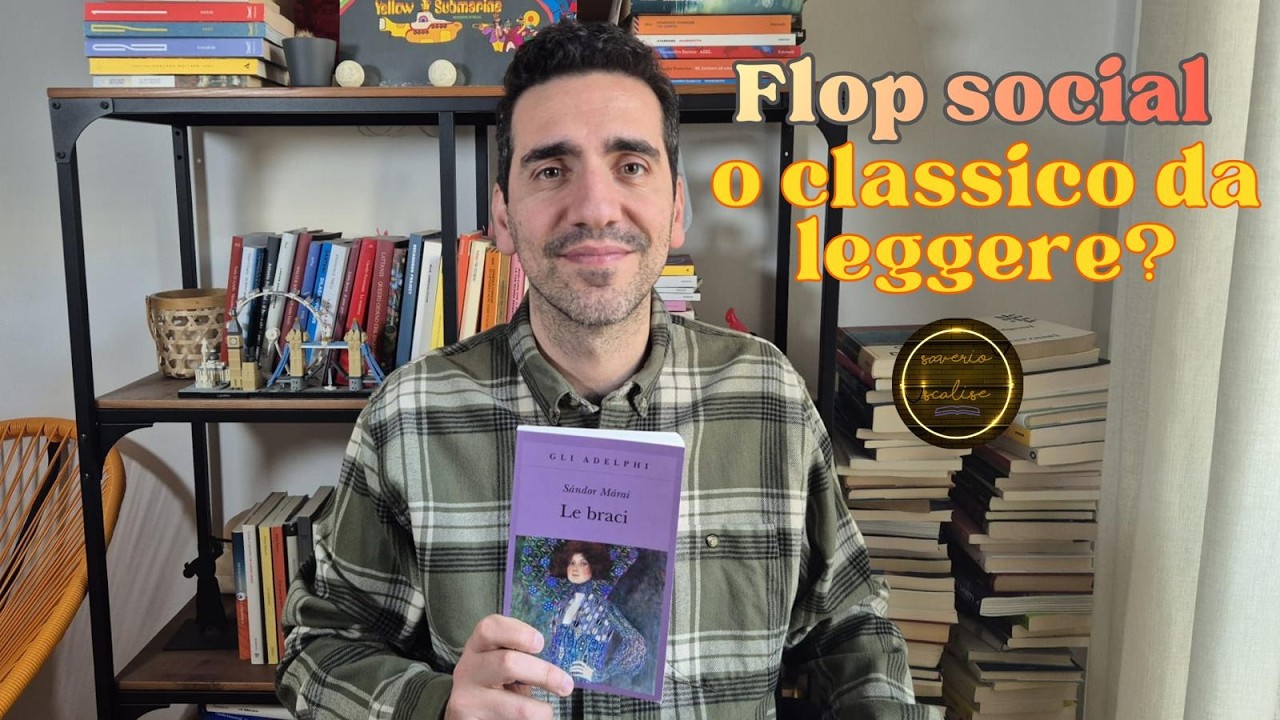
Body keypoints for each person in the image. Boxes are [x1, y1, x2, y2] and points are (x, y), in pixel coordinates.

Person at [277, 19, 927, 719]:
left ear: (676, 209)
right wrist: (436, 707)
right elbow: (319, 650)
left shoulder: (768, 397)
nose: (593, 207)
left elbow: (854, 629)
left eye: (631, 165)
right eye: (551, 170)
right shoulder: (409, 417)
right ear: (503, 217)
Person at [535, 541, 646, 686]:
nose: (575, 568)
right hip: (554, 682)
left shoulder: (603, 607)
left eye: (583, 563)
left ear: (594, 566)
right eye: (572, 563)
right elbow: (552, 647)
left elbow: (636, 643)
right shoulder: (562, 605)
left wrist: (600, 674)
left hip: (584, 684)